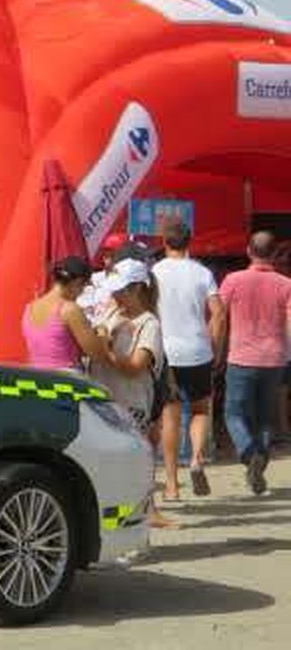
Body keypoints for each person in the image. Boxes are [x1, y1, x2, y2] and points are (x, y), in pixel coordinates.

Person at [85, 258, 177, 526]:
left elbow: (136, 366)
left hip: (131, 407)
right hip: (105, 403)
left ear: (137, 289)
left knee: (124, 475)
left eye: (121, 290)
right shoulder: (112, 313)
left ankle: (128, 530)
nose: (115, 295)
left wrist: (104, 351)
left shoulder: (150, 324)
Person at [152, 220, 224, 499]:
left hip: (167, 352)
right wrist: (215, 346)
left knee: (169, 417)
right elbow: (218, 312)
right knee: (200, 410)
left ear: (164, 242)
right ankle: (195, 458)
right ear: (189, 241)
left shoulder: (154, 272)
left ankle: (171, 485)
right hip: (198, 350)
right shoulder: (203, 273)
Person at [218, 231, 291, 496]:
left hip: (241, 358)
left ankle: (250, 454)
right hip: (275, 359)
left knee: (234, 413)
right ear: (274, 254)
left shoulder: (232, 280)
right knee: (264, 417)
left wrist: (216, 348)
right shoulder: (286, 284)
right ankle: (258, 460)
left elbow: (219, 317)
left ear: (249, 251)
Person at [22, 256, 104, 372]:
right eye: (83, 287)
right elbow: (97, 354)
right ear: (77, 282)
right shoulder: (70, 309)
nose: (81, 293)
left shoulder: (29, 308)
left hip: (36, 378)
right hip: (65, 380)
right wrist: (102, 334)